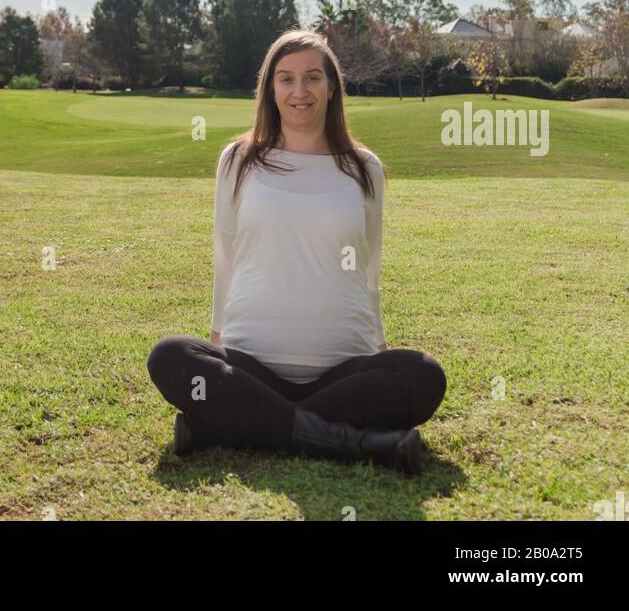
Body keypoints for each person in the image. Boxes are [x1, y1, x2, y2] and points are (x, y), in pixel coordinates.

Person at [147, 28, 447, 473]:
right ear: (270, 89)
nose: (299, 91)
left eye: (312, 78)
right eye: (285, 78)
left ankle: (229, 427)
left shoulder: (365, 168)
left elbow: (370, 264)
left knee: (424, 375)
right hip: (252, 362)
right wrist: (215, 337)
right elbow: (225, 254)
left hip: (343, 364)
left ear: (331, 87)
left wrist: (380, 344)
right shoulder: (238, 160)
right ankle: (354, 442)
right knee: (170, 356)